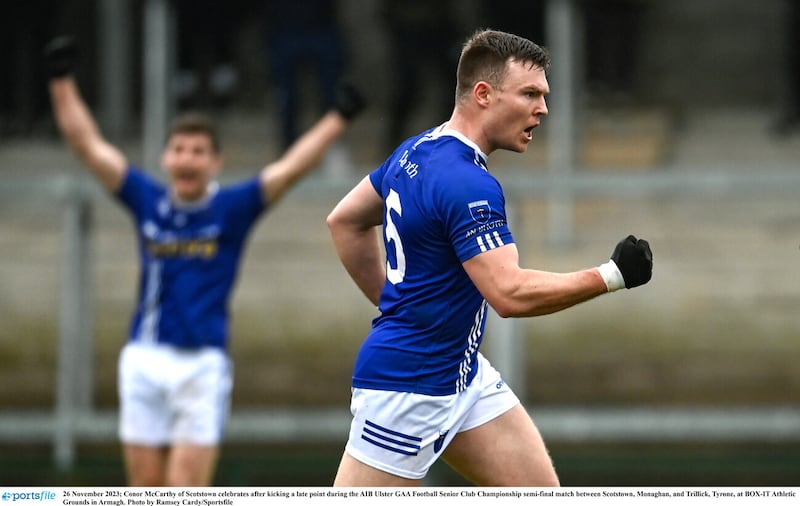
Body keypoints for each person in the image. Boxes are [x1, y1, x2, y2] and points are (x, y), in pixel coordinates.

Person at [326, 29, 653, 486]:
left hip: (462, 373)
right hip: (409, 386)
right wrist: (612, 275)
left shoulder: (414, 151)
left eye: (544, 95)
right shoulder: (468, 184)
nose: (542, 109)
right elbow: (509, 294)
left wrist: (395, 303)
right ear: (483, 94)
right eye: (530, 94)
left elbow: (344, 221)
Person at [43, 35, 365, 487]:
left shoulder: (232, 208)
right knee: (144, 494)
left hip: (201, 367)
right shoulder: (147, 199)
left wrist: (339, 117)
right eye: (179, 150)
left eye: (197, 151)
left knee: (186, 493)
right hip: (143, 360)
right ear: (165, 157)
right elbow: (87, 145)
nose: (187, 160)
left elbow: (290, 168)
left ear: (215, 162)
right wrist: (60, 80)